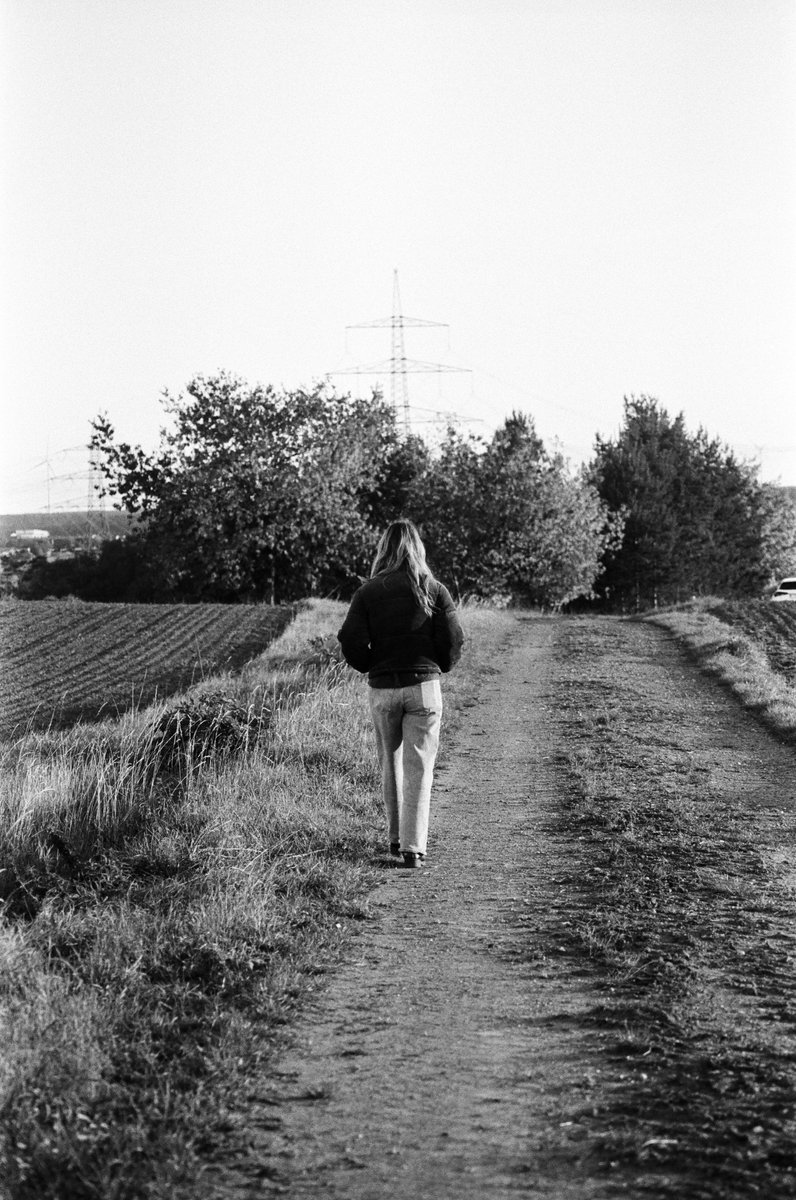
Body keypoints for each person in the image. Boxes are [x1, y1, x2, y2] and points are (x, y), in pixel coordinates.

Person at [337, 519, 464, 868]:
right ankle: (413, 848)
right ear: (419, 548)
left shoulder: (368, 593)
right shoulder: (434, 589)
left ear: (383, 549)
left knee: (390, 766)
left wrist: (370, 665)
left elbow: (348, 639)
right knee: (419, 768)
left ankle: (394, 840)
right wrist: (438, 665)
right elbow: (454, 640)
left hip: (383, 690)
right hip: (424, 688)